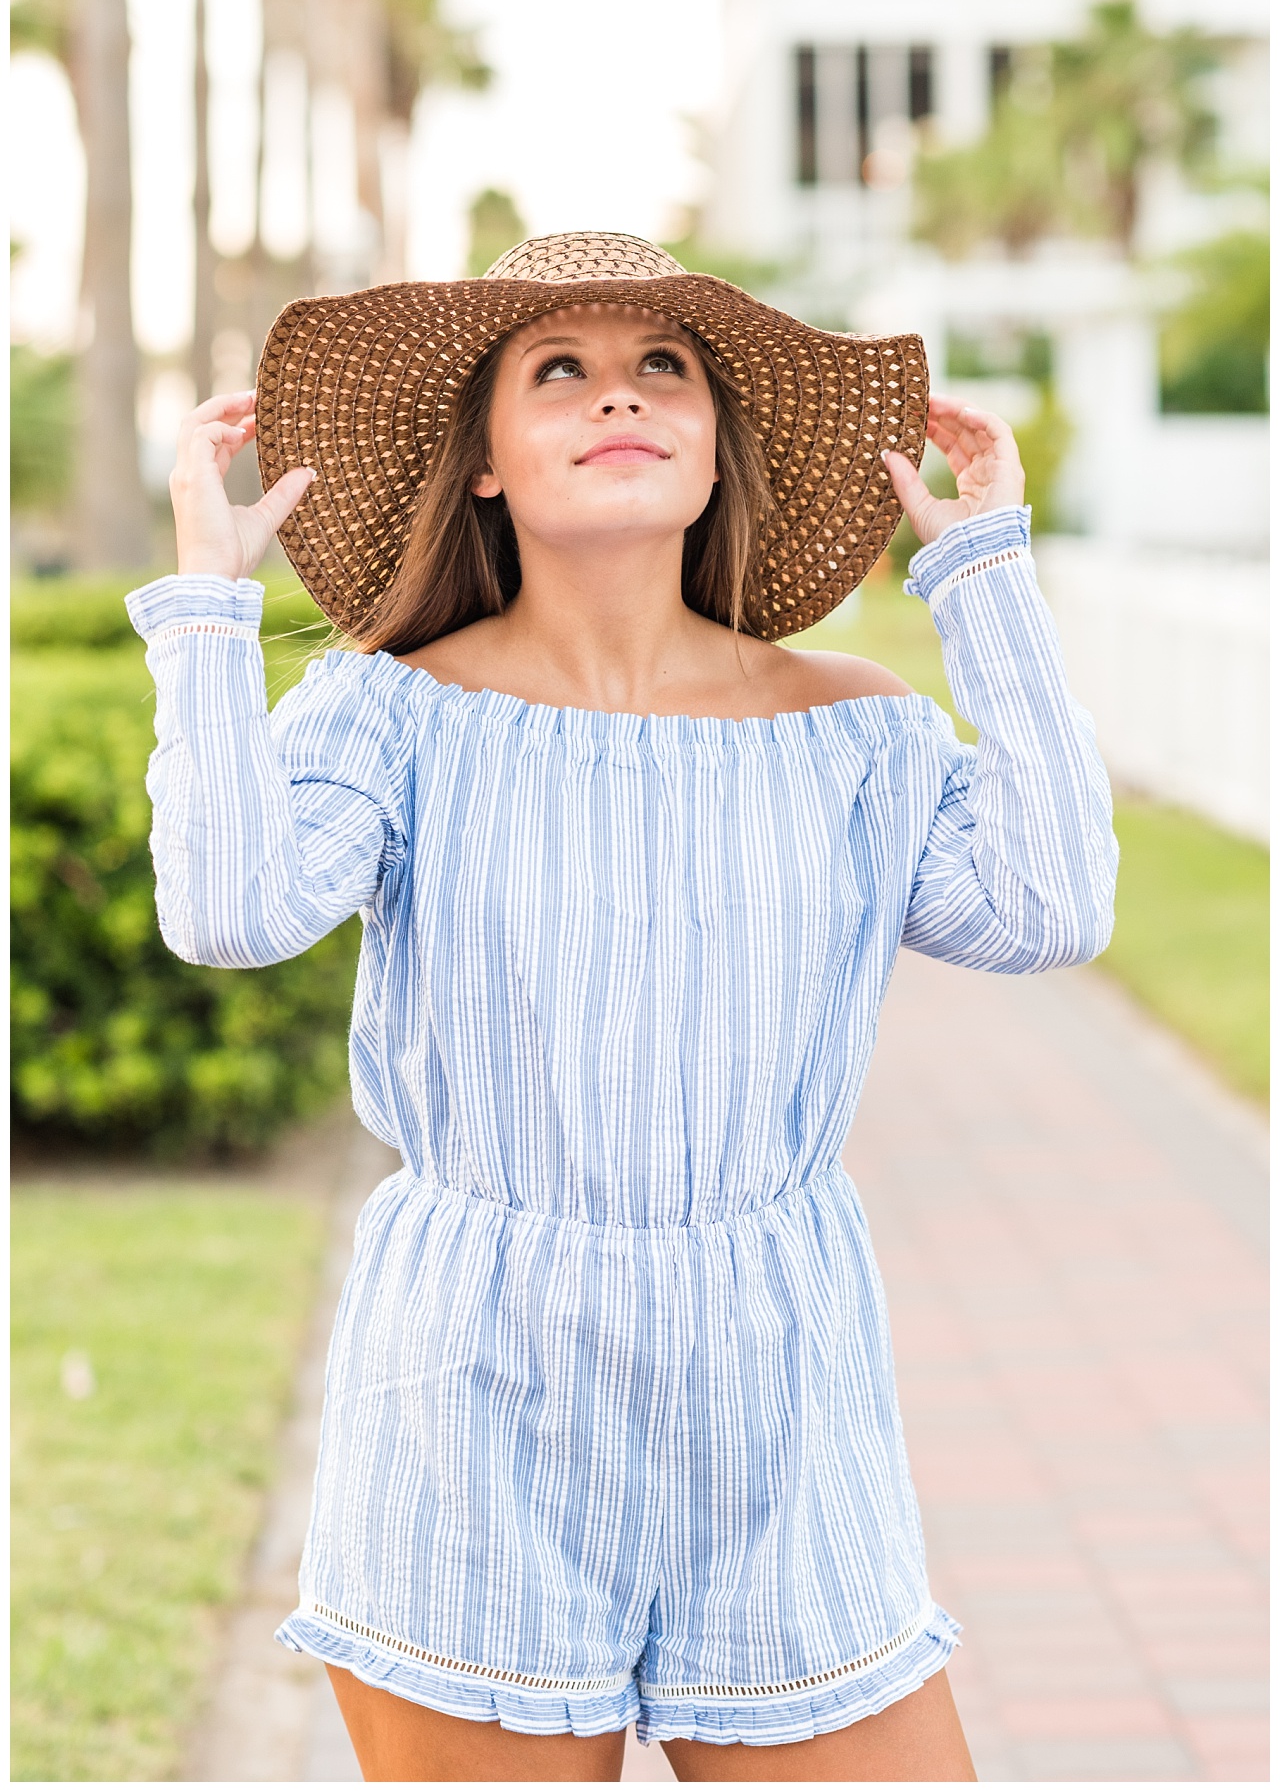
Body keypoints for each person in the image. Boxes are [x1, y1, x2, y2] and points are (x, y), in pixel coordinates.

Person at [127, 233, 1117, 1783]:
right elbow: (230, 909)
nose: (621, 398)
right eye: (560, 373)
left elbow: (1053, 901)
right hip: (475, 1386)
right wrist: (206, 600)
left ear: (718, 450)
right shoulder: (394, 711)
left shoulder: (851, 727)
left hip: (782, 1392)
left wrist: (984, 575)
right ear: (486, 467)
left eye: (666, 368)